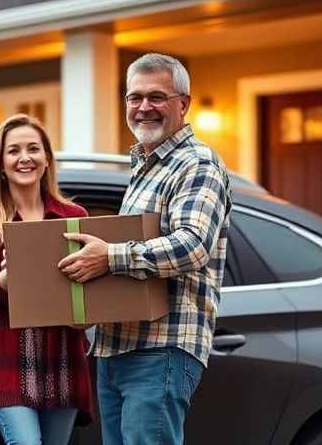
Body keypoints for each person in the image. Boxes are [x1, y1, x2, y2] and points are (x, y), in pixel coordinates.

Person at [58, 53, 232, 445]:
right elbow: (127, 270)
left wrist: (110, 256)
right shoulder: (144, 167)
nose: (144, 108)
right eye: (134, 98)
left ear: (183, 104)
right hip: (115, 348)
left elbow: (192, 245)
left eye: (157, 97)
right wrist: (84, 305)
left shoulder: (196, 163)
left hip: (160, 349)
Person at [0, 114, 94, 445]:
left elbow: (85, 289)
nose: (25, 158)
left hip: (62, 359)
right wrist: (10, 275)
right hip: (7, 361)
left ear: (47, 159)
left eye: (34, 148)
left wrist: (88, 307)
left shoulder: (74, 217)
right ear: (1, 164)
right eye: (14, 151)